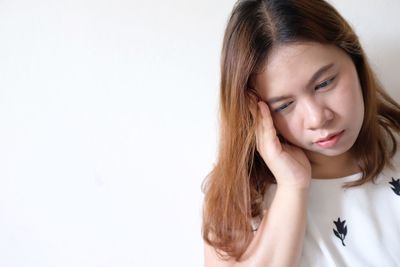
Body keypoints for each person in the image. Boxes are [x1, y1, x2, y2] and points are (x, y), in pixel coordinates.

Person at [201, 0, 400, 266]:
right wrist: (292, 187)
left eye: (325, 83)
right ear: (253, 112)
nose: (318, 118)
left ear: (354, 58)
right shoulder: (239, 197)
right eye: (284, 105)